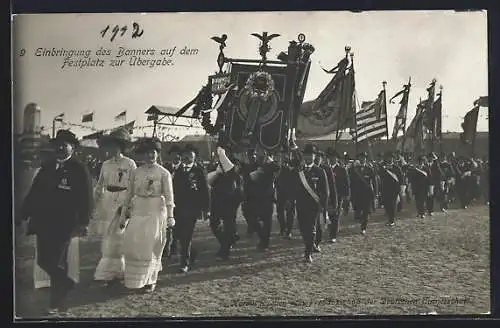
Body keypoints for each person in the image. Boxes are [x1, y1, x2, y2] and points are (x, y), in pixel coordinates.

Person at [17, 129, 93, 314]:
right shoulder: (47, 167)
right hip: (43, 223)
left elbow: (87, 198)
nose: (59, 147)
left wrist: (83, 222)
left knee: (58, 262)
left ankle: (57, 303)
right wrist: (22, 214)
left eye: (64, 144)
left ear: (72, 148)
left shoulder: (78, 168)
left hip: (64, 224)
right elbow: (34, 193)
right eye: (57, 144)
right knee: (44, 261)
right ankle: (66, 283)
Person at [119, 138, 175, 292]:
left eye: (153, 152)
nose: (150, 155)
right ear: (143, 155)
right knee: (134, 243)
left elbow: (169, 197)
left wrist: (170, 216)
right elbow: (128, 194)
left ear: (157, 154)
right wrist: (124, 215)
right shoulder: (136, 172)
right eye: (147, 153)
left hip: (155, 210)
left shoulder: (164, 173)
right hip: (138, 210)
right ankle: (134, 280)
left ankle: (151, 280)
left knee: (151, 246)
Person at [93, 128, 137, 286]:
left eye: (113, 146)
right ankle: (113, 272)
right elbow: (100, 185)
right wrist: (95, 201)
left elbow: (134, 185)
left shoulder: (129, 163)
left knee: (118, 236)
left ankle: (111, 273)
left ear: (120, 146)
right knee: (107, 236)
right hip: (107, 201)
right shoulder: (105, 164)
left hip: (123, 199)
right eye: (108, 146)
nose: (110, 149)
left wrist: (129, 205)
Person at [172, 144, 210, 273]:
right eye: (185, 156)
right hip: (178, 208)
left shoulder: (198, 171)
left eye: (190, 156)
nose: (187, 158)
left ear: (194, 157)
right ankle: (192, 253)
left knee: (187, 235)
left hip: (192, 208)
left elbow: (205, 190)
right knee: (178, 234)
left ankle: (185, 263)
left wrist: (206, 209)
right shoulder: (178, 171)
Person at [291, 144, 328, 263]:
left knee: (311, 229)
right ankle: (309, 244)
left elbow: (325, 191)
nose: (308, 157)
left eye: (310, 155)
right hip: (301, 205)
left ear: (314, 156)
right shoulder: (299, 171)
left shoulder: (320, 171)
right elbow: (295, 188)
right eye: (306, 155)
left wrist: (323, 206)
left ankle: (308, 253)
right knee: (303, 229)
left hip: (313, 206)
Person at [208, 146, 244, 260]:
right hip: (217, 199)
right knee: (214, 224)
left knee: (228, 225)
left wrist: (223, 157)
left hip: (230, 199)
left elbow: (233, 172)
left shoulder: (234, 162)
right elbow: (209, 180)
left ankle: (225, 251)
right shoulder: (216, 165)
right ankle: (227, 242)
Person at [349, 152, 377, 235]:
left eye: (364, 158)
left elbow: (374, 181)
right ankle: (360, 218)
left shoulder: (369, 169)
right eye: (361, 157)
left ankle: (363, 227)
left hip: (366, 193)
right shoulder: (354, 169)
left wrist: (375, 192)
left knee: (365, 210)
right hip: (356, 193)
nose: (362, 159)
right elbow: (350, 180)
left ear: (366, 159)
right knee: (358, 210)